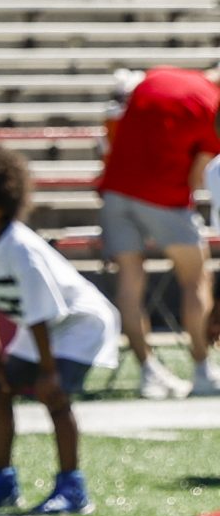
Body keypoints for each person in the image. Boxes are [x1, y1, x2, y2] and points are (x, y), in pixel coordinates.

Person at [0, 146, 119, 516]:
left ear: (2, 200)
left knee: (53, 395)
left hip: (79, 322)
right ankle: (2, 481)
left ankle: (73, 487)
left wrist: (49, 371)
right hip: (43, 327)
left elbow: (41, 313)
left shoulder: (21, 248)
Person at [96, 66, 218, 398]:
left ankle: (148, 371)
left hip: (116, 191)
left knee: (130, 283)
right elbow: (196, 178)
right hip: (165, 198)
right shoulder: (213, 104)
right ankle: (202, 369)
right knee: (195, 278)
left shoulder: (157, 75)